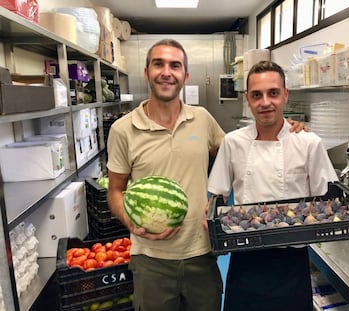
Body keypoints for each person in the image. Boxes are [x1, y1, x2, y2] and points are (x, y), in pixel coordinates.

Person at [106, 39, 306, 311]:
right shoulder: (122, 129)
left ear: (185, 76)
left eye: (175, 65)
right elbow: (115, 190)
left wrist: (283, 128)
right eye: (158, 64)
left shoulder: (202, 119)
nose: (167, 72)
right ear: (146, 72)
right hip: (151, 258)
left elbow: (243, 151)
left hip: (202, 252)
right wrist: (131, 221)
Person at [208, 60, 338, 311]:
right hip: (245, 255)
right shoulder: (233, 142)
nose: (265, 102)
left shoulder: (308, 142)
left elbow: (328, 201)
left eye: (273, 93)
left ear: (285, 95)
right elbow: (216, 196)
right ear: (247, 98)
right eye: (257, 95)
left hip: (291, 259)